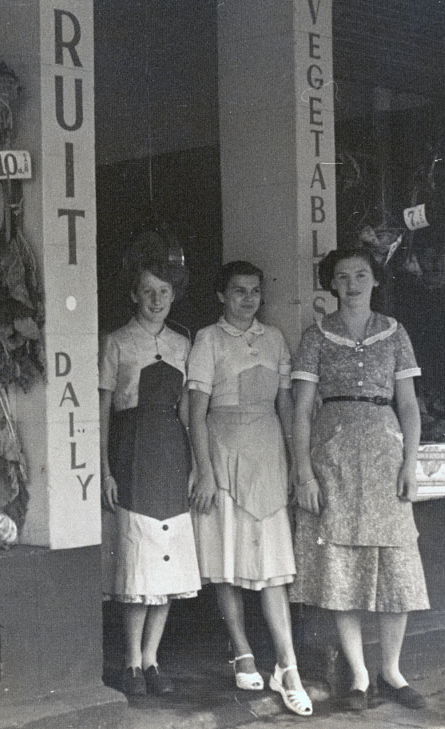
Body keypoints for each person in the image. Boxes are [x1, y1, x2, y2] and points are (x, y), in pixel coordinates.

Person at [289, 247, 429, 712]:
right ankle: (359, 675)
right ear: (331, 283)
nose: (352, 284)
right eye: (343, 276)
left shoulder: (395, 332)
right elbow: (302, 410)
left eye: (361, 275)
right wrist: (303, 471)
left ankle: (392, 671)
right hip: (334, 456)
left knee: (397, 564)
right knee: (342, 566)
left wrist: (410, 463)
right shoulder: (316, 336)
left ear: (375, 280)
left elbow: (408, 404)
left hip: (386, 453)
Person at [187, 261, 313, 717]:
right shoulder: (208, 339)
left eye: (255, 291)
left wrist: (296, 465)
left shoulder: (275, 338)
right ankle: (241, 649)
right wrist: (205, 472)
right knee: (227, 560)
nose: (248, 299)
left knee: (273, 567)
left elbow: (286, 406)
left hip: (268, 456)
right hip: (222, 454)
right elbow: (195, 413)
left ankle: (287, 667)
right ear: (221, 295)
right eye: (238, 291)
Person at [99, 252, 201, 697]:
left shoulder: (183, 344)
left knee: (167, 561)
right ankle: (130, 662)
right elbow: (103, 409)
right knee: (138, 558)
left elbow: (188, 411)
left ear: (173, 296)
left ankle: (152, 659)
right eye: (147, 291)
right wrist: (104, 469)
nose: (156, 300)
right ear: (133, 295)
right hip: (130, 451)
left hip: (171, 454)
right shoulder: (116, 342)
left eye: (163, 292)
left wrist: (196, 465)